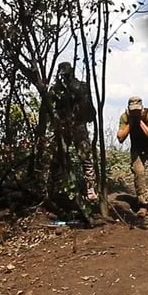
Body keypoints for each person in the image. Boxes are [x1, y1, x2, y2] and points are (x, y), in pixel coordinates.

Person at [50, 62, 97, 202]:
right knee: (58, 157)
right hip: (63, 126)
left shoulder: (81, 87)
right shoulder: (57, 89)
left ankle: (90, 189)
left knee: (85, 158)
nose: (64, 78)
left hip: (78, 126)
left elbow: (90, 108)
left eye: (66, 75)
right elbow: (51, 108)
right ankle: (56, 188)